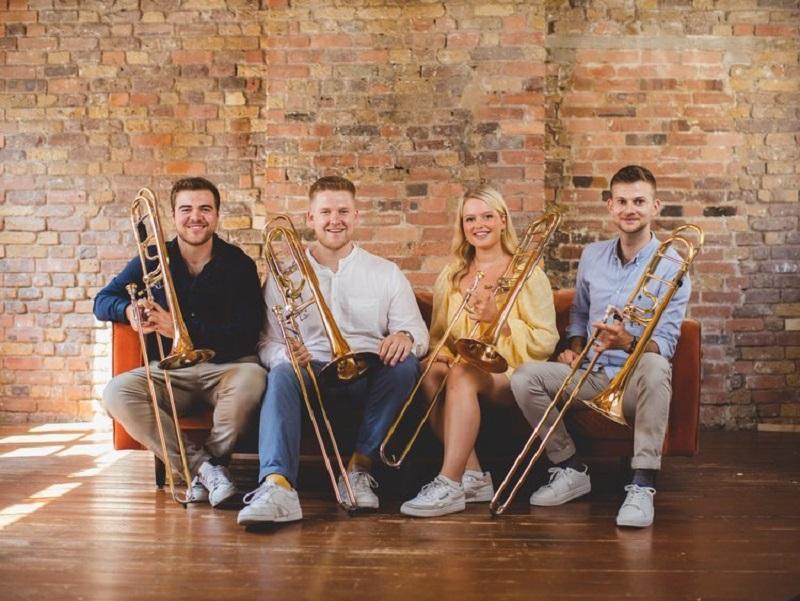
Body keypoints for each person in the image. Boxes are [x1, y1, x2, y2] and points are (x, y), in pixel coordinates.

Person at [237, 175, 429, 526]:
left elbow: (418, 333)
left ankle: (359, 470)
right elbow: (265, 343)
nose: (334, 220)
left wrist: (404, 336)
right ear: (310, 218)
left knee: (405, 365)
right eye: (325, 212)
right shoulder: (285, 275)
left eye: (343, 211)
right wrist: (286, 355)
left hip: (368, 375)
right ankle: (278, 486)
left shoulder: (385, 273)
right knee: (282, 372)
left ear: (356, 216)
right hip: (311, 372)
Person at [510, 165, 691, 528]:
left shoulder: (674, 265)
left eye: (639, 201)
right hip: (591, 374)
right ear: (610, 206)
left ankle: (642, 484)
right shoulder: (592, 255)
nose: (630, 209)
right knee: (524, 377)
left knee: (657, 366)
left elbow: (665, 344)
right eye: (621, 201)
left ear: (655, 207)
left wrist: (626, 342)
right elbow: (579, 314)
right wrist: (575, 347)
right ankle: (570, 468)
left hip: (635, 382)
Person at [94, 177, 266, 507]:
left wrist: (180, 330)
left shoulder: (239, 264)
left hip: (227, 367)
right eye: (186, 209)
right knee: (116, 392)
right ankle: (205, 470)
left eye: (205, 209)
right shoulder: (152, 259)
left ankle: (208, 466)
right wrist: (128, 310)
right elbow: (102, 300)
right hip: (171, 372)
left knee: (254, 378)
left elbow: (246, 332)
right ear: (173, 215)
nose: (195, 217)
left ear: (217, 215)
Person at [400, 185, 559, 518]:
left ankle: (448, 482)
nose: (478, 225)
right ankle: (472, 476)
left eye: (487, 216)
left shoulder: (528, 273)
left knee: (462, 373)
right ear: (462, 226)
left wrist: (498, 320)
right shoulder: (451, 275)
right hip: (463, 368)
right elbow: (440, 334)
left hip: (511, 373)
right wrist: (439, 352)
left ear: (502, 220)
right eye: (470, 219)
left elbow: (545, 339)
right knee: (431, 372)